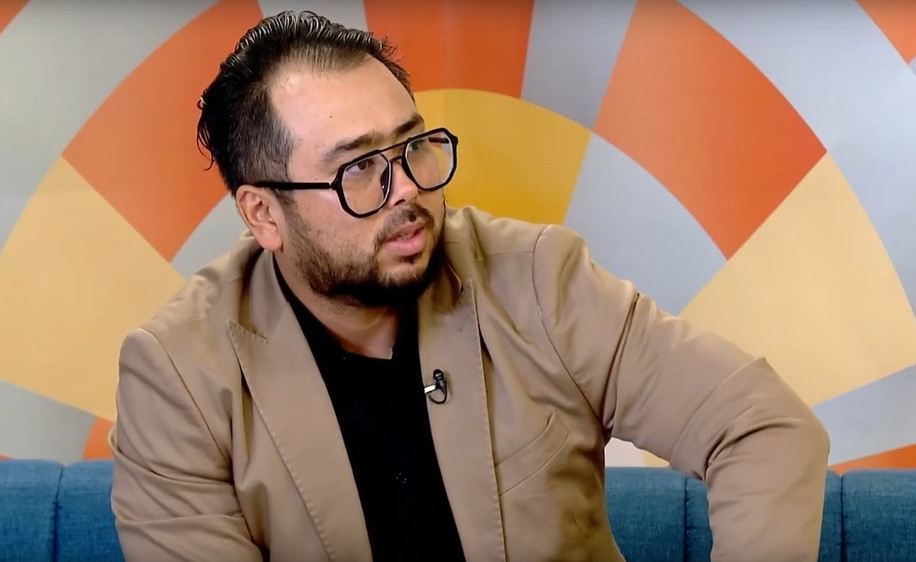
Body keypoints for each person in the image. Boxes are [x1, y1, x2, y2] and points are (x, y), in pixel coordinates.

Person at [109, 10, 830, 562]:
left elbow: (761, 426)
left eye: (413, 145)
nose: (407, 189)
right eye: (359, 168)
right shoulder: (178, 376)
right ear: (264, 214)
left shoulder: (538, 279)